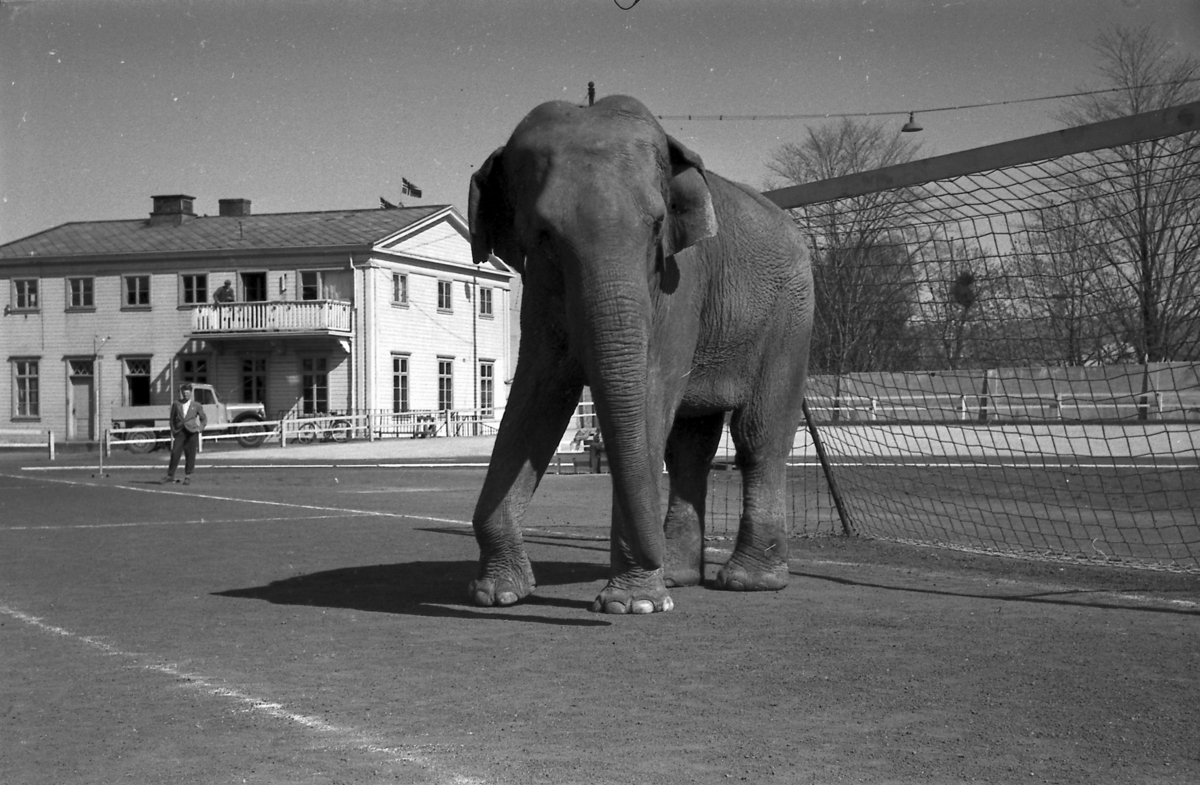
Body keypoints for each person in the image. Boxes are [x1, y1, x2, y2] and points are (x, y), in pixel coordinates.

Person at [161, 383, 207, 485]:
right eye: (183, 393)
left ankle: (188, 476)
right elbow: (172, 419)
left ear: (191, 393)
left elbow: (204, 419)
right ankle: (170, 475)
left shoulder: (196, 405)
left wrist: (199, 429)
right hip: (180, 432)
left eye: (187, 393)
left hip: (191, 432)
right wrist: (174, 431)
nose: (185, 395)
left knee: (190, 454)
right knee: (175, 453)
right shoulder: (176, 404)